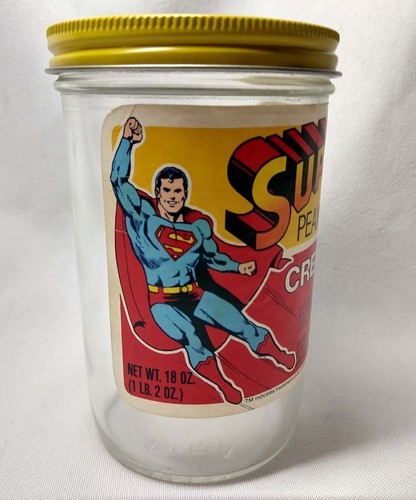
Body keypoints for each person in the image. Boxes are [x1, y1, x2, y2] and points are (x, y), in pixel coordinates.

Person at [111, 117, 296, 405]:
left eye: (178, 191)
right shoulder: (143, 217)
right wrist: (127, 142)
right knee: (192, 338)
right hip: (162, 302)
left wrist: (238, 267)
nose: (172, 196)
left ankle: (279, 356)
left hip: (195, 293)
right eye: (167, 191)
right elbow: (118, 181)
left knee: (242, 324)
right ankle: (225, 387)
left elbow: (213, 258)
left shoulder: (197, 228)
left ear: (185, 194)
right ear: (158, 193)